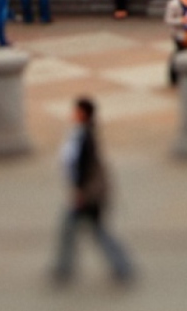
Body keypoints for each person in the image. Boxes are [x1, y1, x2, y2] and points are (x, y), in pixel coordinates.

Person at [51, 97, 136, 286]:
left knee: (94, 231)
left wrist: (79, 192)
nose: (72, 114)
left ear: (83, 114)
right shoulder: (83, 133)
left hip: (90, 196)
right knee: (80, 231)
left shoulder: (85, 137)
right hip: (92, 194)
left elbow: (83, 167)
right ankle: (65, 268)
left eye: (76, 111)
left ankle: (121, 267)